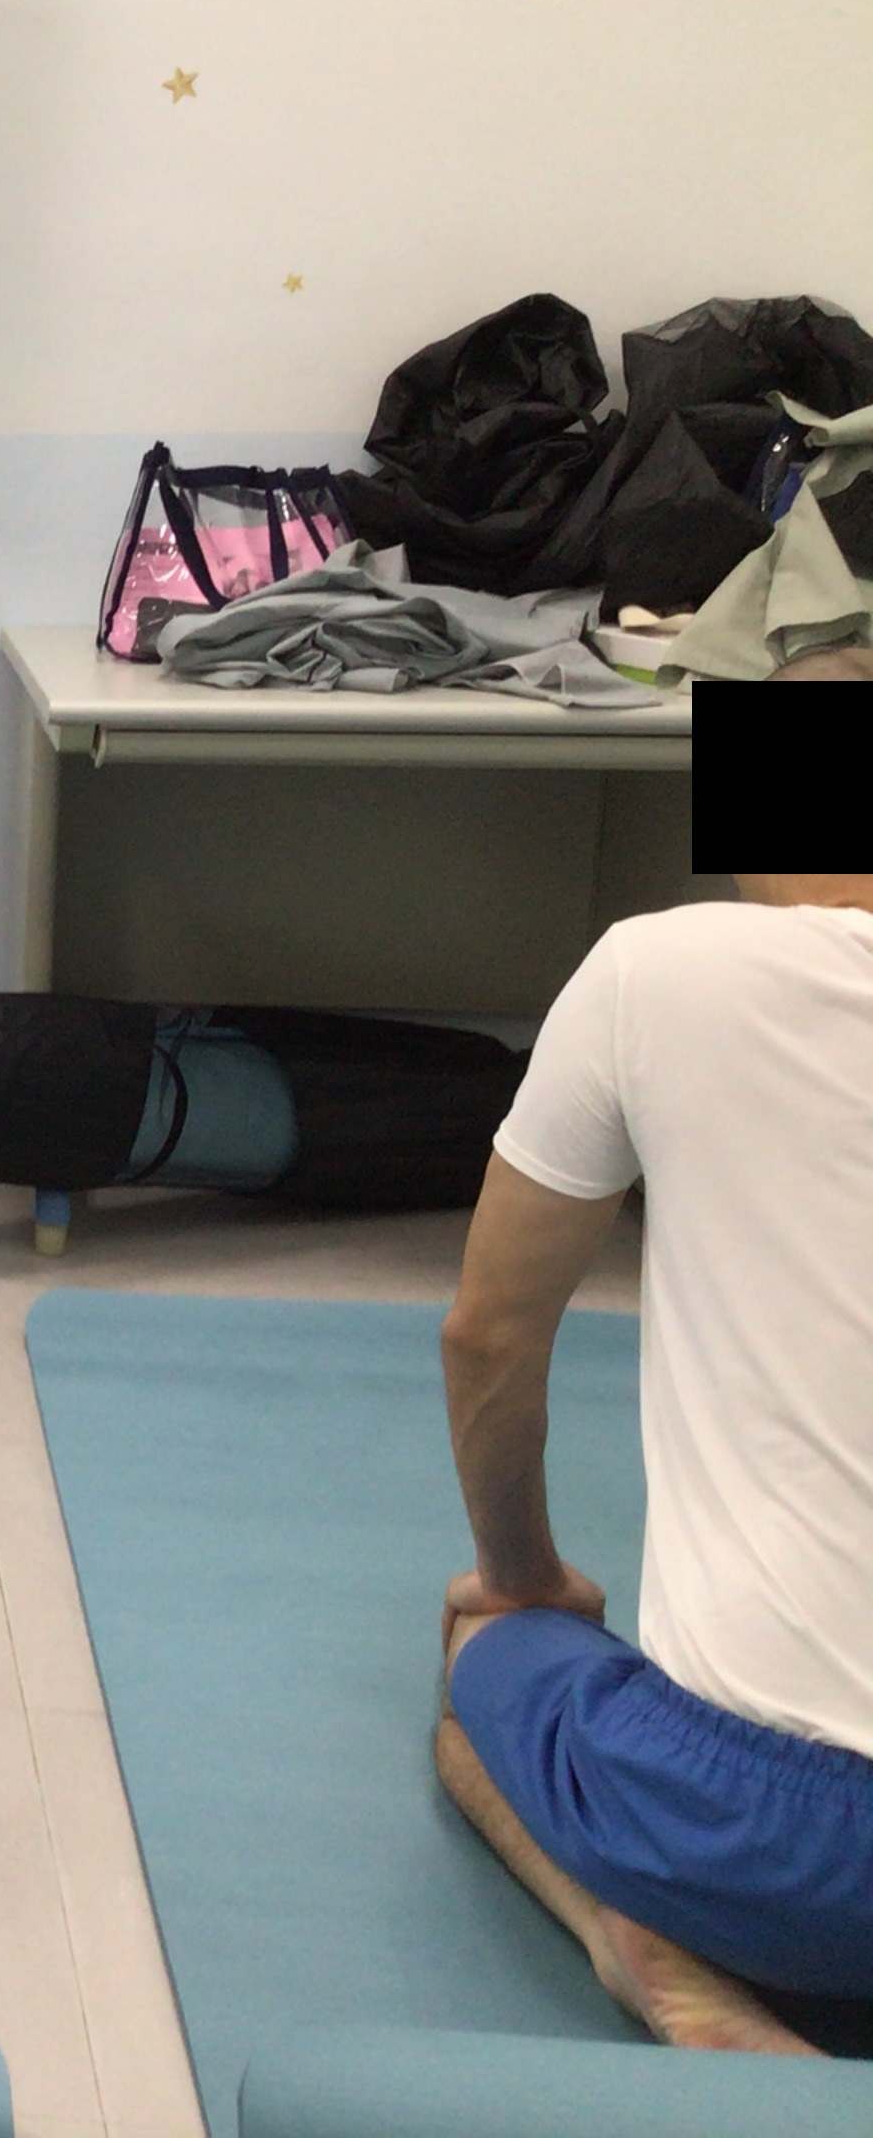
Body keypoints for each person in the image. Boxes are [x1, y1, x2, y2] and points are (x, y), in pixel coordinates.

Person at [435, 877, 873, 2052]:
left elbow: (488, 1336)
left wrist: (523, 1580)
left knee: (484, 1660)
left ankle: (644, 1950)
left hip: (775, 1846)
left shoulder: (661, 972)